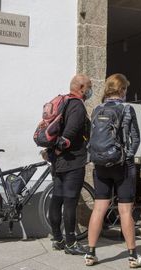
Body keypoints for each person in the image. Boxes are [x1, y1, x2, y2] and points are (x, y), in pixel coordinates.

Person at [84, 74, 141, 268]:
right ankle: (133, 256)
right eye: (125, 89)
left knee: (99, 208)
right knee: (125, 210)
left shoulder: (97, 109)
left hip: (101, 165)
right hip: (122, 166)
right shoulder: (127, 109)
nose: (126, 92)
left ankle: (90, 253)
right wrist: (125, 156)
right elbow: (135, 138)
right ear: (121, 90)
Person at [48, 74, 92, 255]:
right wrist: (58, 150)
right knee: (70, 201)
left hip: (59, 163)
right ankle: (71, 243)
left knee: (57, 198)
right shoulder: (77, 106)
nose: (90, 90)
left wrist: (52, 154)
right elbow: (69, 135)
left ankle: (58, 239)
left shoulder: (64, 103)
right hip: (72, 161)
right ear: (81, 88)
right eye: (89, 86)